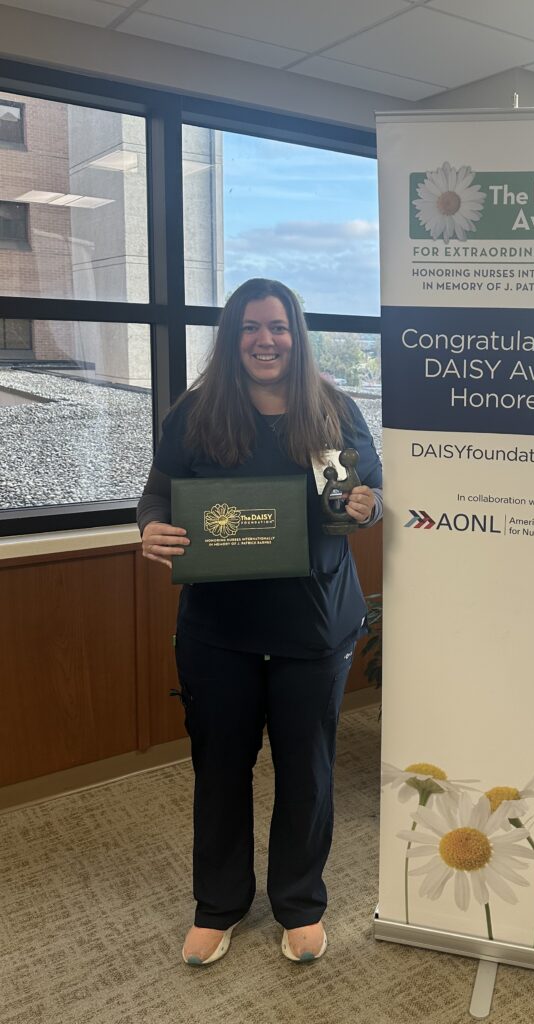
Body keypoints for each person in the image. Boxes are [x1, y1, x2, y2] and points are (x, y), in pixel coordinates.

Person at [137, 278, 382, 966]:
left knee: (308, 771)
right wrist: (151, 528)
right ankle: (218, 905)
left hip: (313, 629)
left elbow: (365, 499)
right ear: (232, 337)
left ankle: (300, 903)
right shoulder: (196, 413)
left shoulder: (331, 411)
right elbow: (158, 493)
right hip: (219, 633)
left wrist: (367, 508)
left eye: (277, 327)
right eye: (250, 328)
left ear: (296, 336)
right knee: (220, 769)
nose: (265, 340)